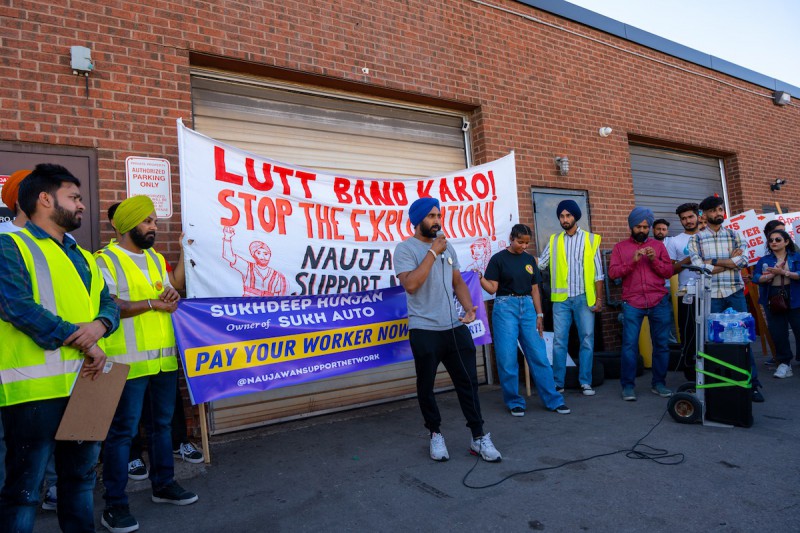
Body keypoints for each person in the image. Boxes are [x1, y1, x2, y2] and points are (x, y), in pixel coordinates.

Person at [0, 163, 119, 533]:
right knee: (24, 492)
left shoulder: (83, 255)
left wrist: (100, 325)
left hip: (87, 383)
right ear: (46, 199)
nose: (82, 205)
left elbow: (108, 301)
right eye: (75, 197)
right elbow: (15, 305)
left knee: (81, 482)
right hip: (35, 390)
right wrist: (80, 337)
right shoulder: (10, 245)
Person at [97, 195, 198, 533]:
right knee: (122, 434)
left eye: (154, 221)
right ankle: (114, 505)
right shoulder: (105, 260)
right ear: (128, 225)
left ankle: (164, 485)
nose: (155, 227)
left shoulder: (155, 259)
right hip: (126, 364)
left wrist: (170, 297)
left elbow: (170, 294)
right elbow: (112, 306)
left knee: (161, 428)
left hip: (162, 361)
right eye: (148, 221)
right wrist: (155, 302)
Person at [394, 197, 501, 463]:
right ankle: (435, 434)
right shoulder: (405, 249)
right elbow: (411, 285)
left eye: (439, 215)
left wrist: (469, 307)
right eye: (431, 216)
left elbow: (457, 281)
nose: (437, 221)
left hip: (453, 326)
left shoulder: (447, 246)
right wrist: (432, 253)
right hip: (424, 329)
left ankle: (478, 436)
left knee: (468, 383)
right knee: (426, 386)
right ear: (418, 219)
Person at [477, 224, 570, 416]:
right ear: (511, 238)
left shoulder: (529, 260)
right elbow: (492, 288)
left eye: (527, 243)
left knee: (539, 355)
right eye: (520, 242)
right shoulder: (498, 259)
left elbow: (535, 289)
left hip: (528, 307)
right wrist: (480, 279)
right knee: (507, 357)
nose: (524, 246)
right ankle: (514, 401)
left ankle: (553, 400)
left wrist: (540, 314)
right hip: (505, 308)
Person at [688, 195, 764, 402]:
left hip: (735, 293)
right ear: (704, 215)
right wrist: (729, 262)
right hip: (711, 296)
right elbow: (700, 267)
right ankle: (721, 385)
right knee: (713, 341)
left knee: (743, 338)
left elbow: (743, 261)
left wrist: (712, 261)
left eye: (720, 209)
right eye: (713, 210)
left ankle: (752, 385)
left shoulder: (734, 235)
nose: (718, 213)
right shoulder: (696, 239)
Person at [537, 200, 603, 396]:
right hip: (561, 300)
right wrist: (520, 255)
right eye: (561, 216)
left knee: (587, 340)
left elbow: (599, 274)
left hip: (584, 298)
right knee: (559, 341)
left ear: (575, 216)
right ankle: (558, 382)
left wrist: (599, 300)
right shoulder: (554, 240)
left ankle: (585, 382)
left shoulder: (591, 240)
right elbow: (541, 264)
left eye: (568, 215)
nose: (564, 219)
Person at [608, 207, 675, 401]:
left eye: (646, 227)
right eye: (638, 226)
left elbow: (668, 272)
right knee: (629, 346)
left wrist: (654, 260)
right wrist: (633, 261)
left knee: (661, 344)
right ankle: (628, 386)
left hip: (658, 300)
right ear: (631, 227)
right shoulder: (621, 248)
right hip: (633, 302)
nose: (642, 230)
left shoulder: (658, 246)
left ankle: (659, 383)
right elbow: (613, 274)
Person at [753, 230, 800, 379]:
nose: (773, 242)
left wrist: (784, 272)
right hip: (773, 298)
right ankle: (784, 363)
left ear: (786, 242)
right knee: (778, 332)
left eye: (778, 239)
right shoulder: (764, 259)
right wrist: (772, 274)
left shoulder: (796, 257)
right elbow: (756, 277)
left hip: (795, 297)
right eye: (771, 240)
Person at [666, 203, 702, 371]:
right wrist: (689, 258)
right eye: (683, 219)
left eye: (690, 217)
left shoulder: (709, 237)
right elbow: (669, 270)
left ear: (698, 216)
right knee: (689, 335)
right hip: (686, 293)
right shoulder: (674, 241)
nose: (687, 221)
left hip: (712, 293)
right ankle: (690, 374)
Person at [222, 225, 288, 296]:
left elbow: (279, 297)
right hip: (247, 305)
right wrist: (227, 237)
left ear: (270, 255)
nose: (263, 257)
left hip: (268, 306)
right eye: (259, 253)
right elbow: (228, 256)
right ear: (253, 255)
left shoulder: (276, 275)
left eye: (266, 254)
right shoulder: (248, 267)